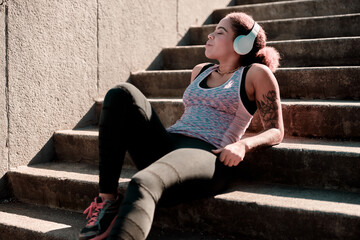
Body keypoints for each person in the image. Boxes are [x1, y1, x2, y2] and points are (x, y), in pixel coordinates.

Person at [79, 11, 284, 240]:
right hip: (170, 145)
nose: (210, 35)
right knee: (121, 93)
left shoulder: (255, 74)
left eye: (220, 32)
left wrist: (243, 146)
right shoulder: (200, 70)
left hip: (208, 154)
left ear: (242, 43)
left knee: (142, 183)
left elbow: (276, 131)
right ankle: (107, 201)